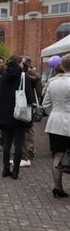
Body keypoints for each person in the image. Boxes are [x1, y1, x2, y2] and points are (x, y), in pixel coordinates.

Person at [0, 55, 33, 179]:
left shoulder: (2, 77)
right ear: (18, 63)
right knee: (18, 143)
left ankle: (5, 169)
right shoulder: (23, 76)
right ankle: (15, 171)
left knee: (7, 143)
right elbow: (29, 97)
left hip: (5, 115)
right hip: (19, 114)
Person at [42, 54, 70, 198]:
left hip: (55, 123)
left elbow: (45, 104)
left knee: (58, 155)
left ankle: (57, 187)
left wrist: (54, 113)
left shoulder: (53, 83)